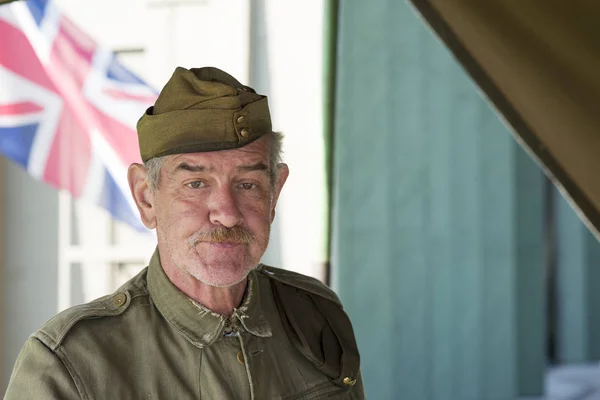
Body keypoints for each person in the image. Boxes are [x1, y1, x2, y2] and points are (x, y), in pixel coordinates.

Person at [4, 66, 364, 399]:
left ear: (275, 193)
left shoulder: (317, 316)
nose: (226, 213)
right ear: (146, 197)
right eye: (196, 183)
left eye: (248, 184)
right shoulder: (69, 366)